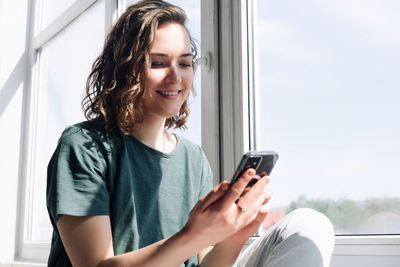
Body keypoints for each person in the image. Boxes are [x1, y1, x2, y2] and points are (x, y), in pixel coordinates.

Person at [46, 0, 335, 266]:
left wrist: (233, 236)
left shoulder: (192, 158)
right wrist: (194, 235)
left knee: (309, 224)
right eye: (158, 63)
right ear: (125, 69)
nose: (176, 77)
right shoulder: (84, 146)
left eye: (184, 63)